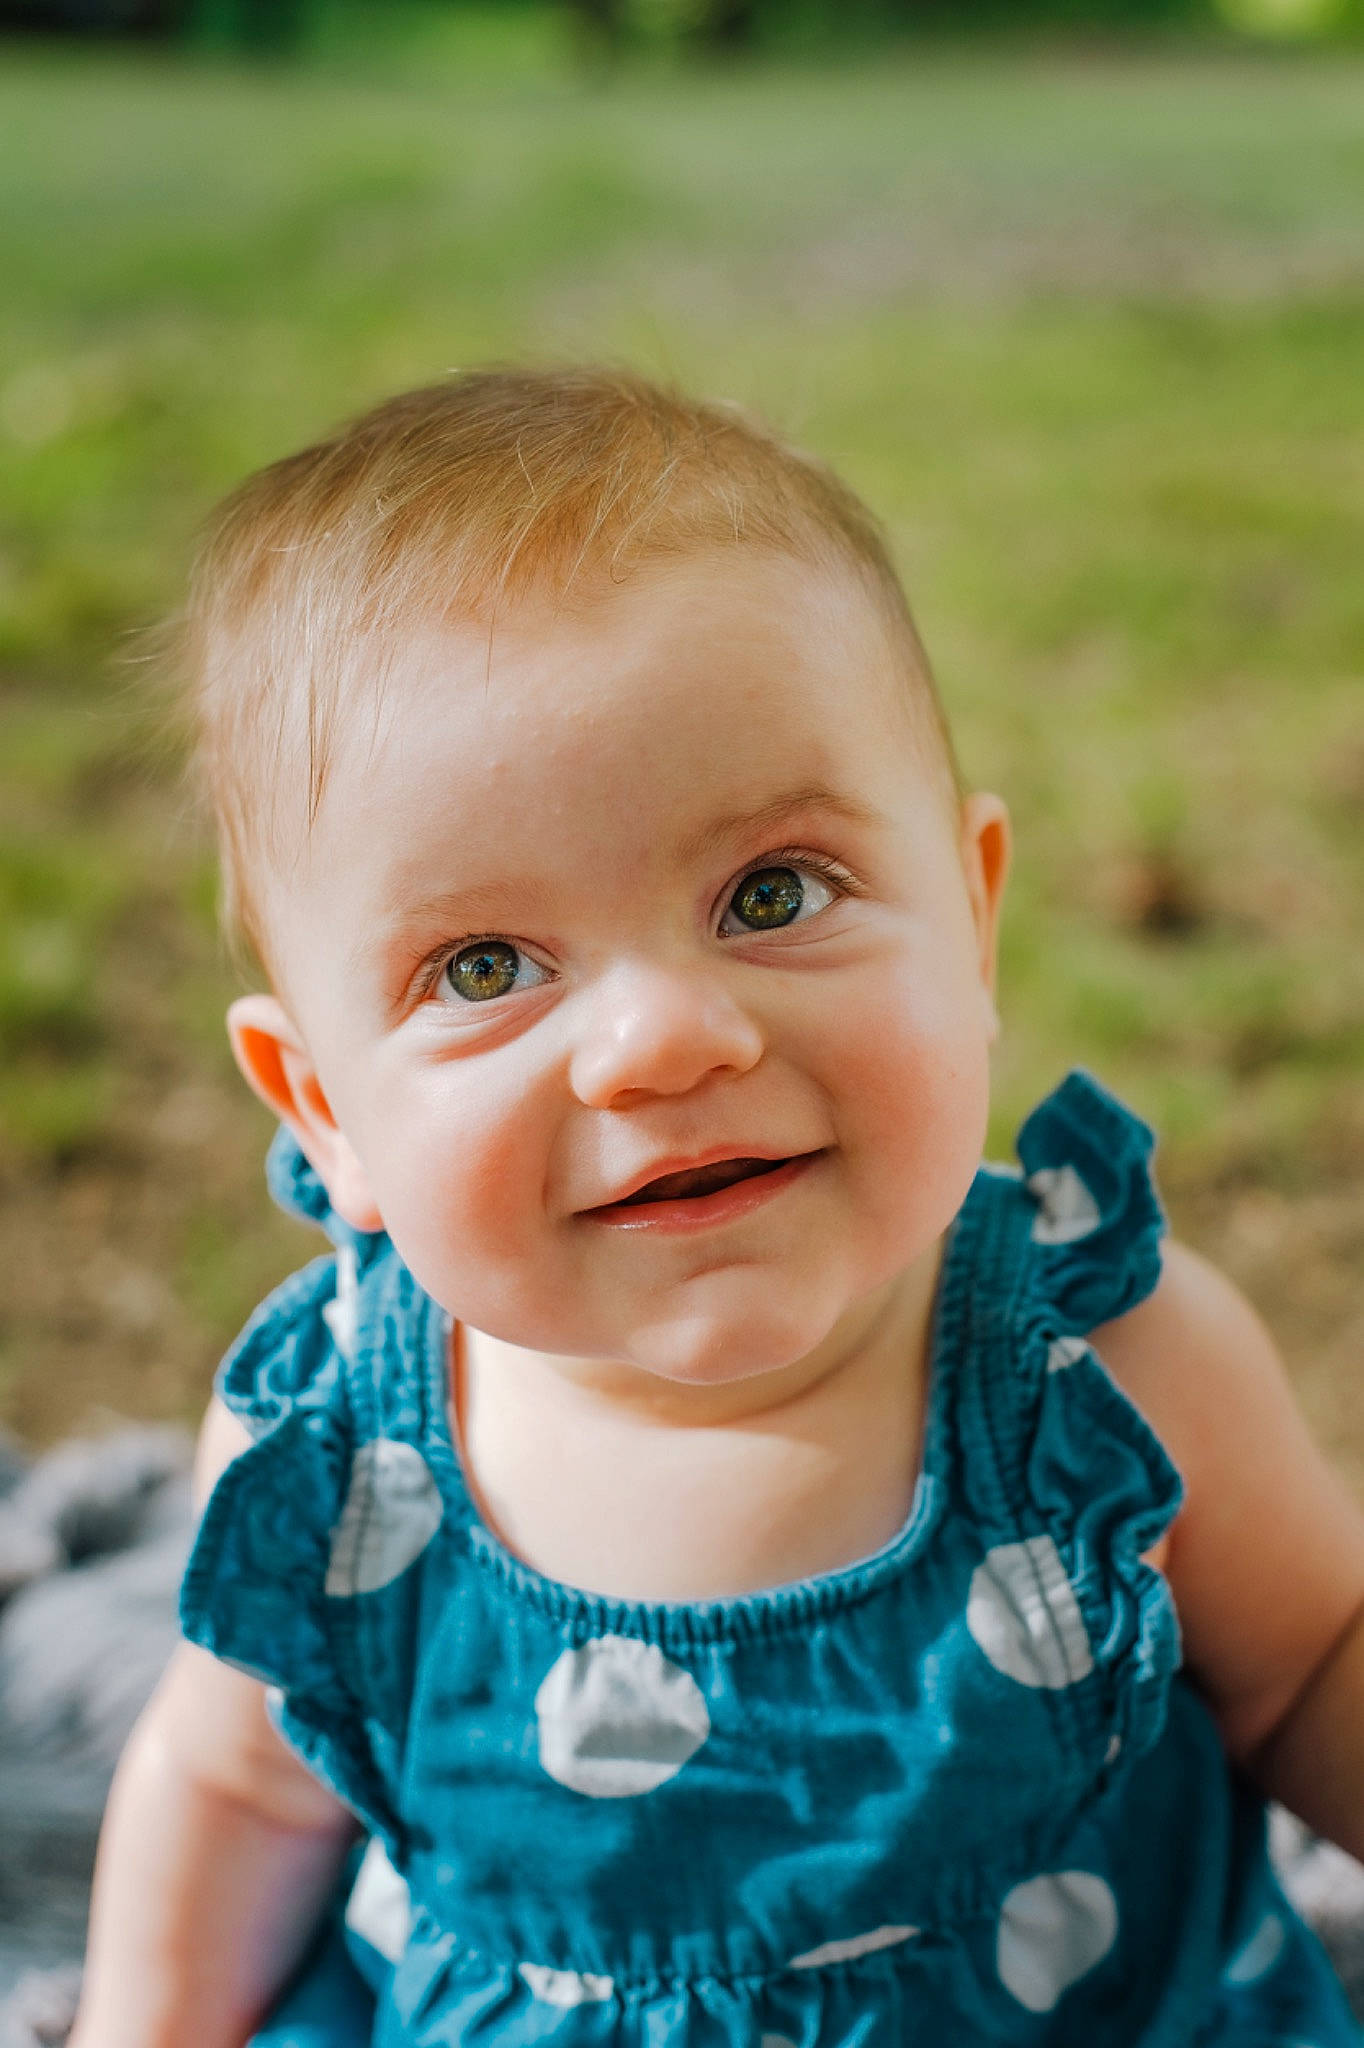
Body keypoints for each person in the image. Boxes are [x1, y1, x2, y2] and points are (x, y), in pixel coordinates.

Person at [68, 369, 1364, 2048]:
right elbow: (237, 1789)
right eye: (484, 968)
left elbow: (1317, 1662)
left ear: (971, 932)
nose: (666, 1040)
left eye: (771, 894)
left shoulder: (1110, 1375)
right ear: (329, 1113)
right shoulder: (337, 1458)